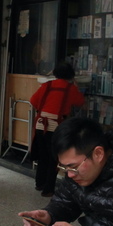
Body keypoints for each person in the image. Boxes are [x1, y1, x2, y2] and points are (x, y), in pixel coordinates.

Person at [29, 62, 85, 197]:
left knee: (43, 157)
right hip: (56, 126)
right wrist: (76, 86)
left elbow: (33, 101)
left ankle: (39, 183)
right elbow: (80, 102)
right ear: (70, 75)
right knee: (54, 158)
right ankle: (48, 189)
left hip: (41, 124)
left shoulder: (47, 85)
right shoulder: (70, 88)